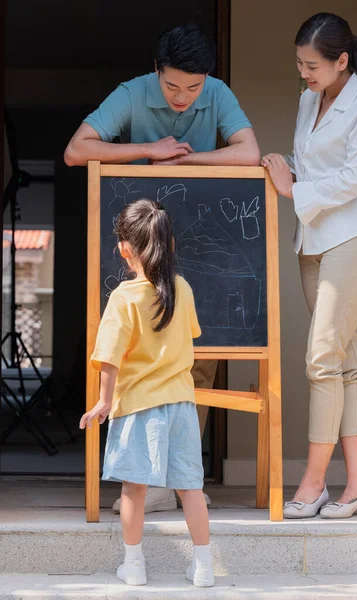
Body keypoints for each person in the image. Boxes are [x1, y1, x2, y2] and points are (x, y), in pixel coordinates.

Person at [66, 22, 260, 513]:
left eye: (193, 88)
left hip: (203, 252)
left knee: (201, 359)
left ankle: (180, 480)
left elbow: (250, 153)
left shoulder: (216, 94)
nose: (182, 97)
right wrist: (148, 151)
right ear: (157, 72)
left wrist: (191, 163)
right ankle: (149, 482)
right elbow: (77, 150)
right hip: (145, 251)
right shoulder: (132, 93)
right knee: (141, 360)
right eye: (172, 86)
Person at [262, 13, 357, 519]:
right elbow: (314, 168)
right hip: (313, 239)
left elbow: (349, 180)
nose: (304, 72)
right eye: (299, 63)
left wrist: (291, 188)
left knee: (322, 355)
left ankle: (314, 483)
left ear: (342, 61)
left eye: (313, 64)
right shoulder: (307, 100)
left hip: (354, 237)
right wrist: (287, 168)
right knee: (347, 357)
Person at [80, 199, 214, 587]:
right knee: (190, 487)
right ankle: (204, 567)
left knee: (133, 489)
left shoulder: (123, 297)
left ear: (125, 249)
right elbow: (189, 334)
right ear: (169, 246)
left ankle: (134, 566)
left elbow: (109, 356)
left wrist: (104, 401)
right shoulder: (182, 288)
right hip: (182, 406)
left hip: (139, 406)